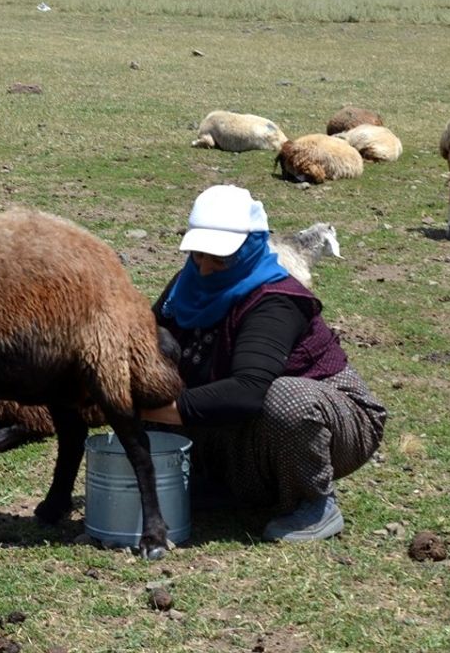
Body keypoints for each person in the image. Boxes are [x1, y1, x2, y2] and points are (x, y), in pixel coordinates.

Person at [141, 184, 387, 542]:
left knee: (284, 398)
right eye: (198, 254)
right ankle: (220, 486)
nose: (206, 268)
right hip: (243, 427)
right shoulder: (185, 286)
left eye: (220, 259)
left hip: (327, 419)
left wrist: (148, 411)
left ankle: (315, 503)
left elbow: (248, 391)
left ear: (252, 247)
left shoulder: (275, 299)